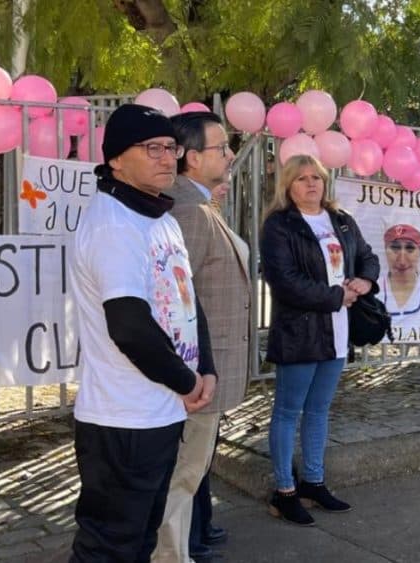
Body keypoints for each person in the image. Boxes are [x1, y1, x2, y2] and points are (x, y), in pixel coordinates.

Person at [68, 104, 216, 562]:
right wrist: (187, 381)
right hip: (122, 420)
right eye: (151, 148)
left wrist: (205, 368)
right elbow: (129, 327)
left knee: (141, 541)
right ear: (115, 158)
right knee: (109, 548)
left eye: (171, 147)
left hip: (160, 412)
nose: (166, 157)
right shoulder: (114, 224)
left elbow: (188, 303)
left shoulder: (160, 219)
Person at [259, 154, 379, 525]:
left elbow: (368, 257)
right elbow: (284, 280)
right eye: (302, 179)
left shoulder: (341, 221)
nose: (311, 184)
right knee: (288, 411)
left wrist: (365, 281)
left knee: (319, 410)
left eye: (317, 178)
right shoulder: (279, 226)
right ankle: (284, 490)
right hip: (299, 332)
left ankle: (313, 481)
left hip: (337, 332)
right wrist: (334, 297)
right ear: (288, 186)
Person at [152, 112, 250, 563]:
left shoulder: (200, 203)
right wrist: (193, 372)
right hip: (195, 375)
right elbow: (174, 301)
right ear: (192, 158)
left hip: (202, 371)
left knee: (188, 473)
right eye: (221, 148)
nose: (230, 155)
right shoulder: (188, 209)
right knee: (183, 475)